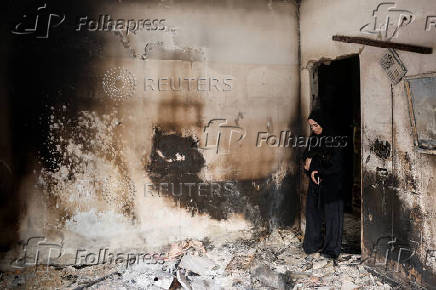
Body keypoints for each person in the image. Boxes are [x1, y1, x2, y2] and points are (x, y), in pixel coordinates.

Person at [302, 110, 345, 259]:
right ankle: (312, 245)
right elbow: (306, 160)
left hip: (332, 183)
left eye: (316, 125)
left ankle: (331, 250)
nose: (314, 129)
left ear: (323, 123)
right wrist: (313, 168)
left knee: (333, 217)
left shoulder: (336, 139)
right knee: (313, 213)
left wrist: (316, 166)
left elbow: (336, 164)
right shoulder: (314, 139)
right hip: (316, 183)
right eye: (311, 126)